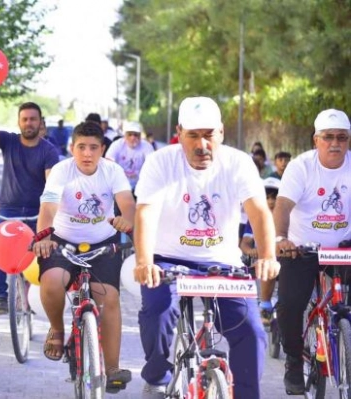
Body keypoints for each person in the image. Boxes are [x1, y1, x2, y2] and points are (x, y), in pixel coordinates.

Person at [133, 97, 279, 399]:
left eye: (209, 135)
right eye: (193, 135)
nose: (202, 144)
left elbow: (259, 211)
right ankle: (158, 375)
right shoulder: (160, 162)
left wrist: (268, 255)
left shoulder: (238, 163)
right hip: (168, 260)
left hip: (222, 262)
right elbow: (145, 213)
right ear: (179, 132)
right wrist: (145, 261)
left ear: (222, 133)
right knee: (158, 312)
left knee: (250, 331)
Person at [33, 121, 136, 392]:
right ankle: (56, 329)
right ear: (72, 148)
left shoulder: (113, 171)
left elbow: (127, 202)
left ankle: (112, 367)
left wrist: (127, 220)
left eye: (93, 148)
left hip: (102, 243)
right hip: (63, 241)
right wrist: (43, 236)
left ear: (103, 149)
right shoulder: (61, 171)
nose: (87, 153)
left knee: (109, 298)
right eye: (81, 147)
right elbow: (48, 207)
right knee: (53, 280)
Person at [274, 108, 351, 394]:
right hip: (302, 249)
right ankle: (294, 360)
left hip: (343, 248)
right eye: (328, 137)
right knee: (290, 306)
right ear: (315, 140)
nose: (335, 143)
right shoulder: (301, 167)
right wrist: (282, 238)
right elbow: (282, 206)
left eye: (342, 138)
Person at [0, 92, 60, 315]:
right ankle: (1, 296)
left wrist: (52, 210)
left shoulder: (48, 150)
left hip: (35, 213)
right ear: (19, 122)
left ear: (40, 122)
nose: (29, 123)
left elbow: (51, 183)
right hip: (8, 211)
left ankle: (31, 295)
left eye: (33, 119)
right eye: (25, 119)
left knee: (38, 257)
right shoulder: (10, 141)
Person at [239, 176, 281, 325]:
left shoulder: (289, 216)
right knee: (266, 263)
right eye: (267, 198)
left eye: (274, 198)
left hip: (286, 258)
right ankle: (265, 304)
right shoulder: (254, 219)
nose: (270, 201)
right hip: (265, 259)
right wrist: (250, 251)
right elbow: (244, 243)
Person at [104, 120, 154, 191]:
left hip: (140, 185)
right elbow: (108, 161)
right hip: (119, 185)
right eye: (130, 134)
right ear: (125, 135)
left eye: (135, 135)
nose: (132, 137)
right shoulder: (117, 144)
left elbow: (152, 164)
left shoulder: (147, 146)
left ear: (140, 136)